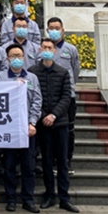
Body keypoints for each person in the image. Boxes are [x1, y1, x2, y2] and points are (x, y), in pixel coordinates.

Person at [29, 40, 79, 213]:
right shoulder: (32, 72)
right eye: (44, 48)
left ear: (55, 52)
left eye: (50, 48)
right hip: (43, 124)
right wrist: (43, 115)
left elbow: (67, 97)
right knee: (47, 161)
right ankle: (50, 194)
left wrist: (54, 115)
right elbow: (32, 97)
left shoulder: (63, 72)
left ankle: (64, 197)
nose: (47, 51)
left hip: (60, 123)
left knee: (62, 162)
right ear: (40, 50)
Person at [0, 44, 42, 213]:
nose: (16, 59)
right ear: (7, 59)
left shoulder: (32, 78)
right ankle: (11, 199)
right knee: (9, 166)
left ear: (24, 58)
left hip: (27, 129)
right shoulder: (0, 77)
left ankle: (28, 199)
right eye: (13, 56)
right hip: (9, 128)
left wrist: (32, 123)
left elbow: (37, 101)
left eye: (19, 56)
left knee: (28, 166)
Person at [44, 17, 80, 175]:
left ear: (63, 30)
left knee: (69, 130)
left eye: (57, 28)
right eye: (51, 28)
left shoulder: (71, 49)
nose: (54, 30)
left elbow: (75, 70)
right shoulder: (44, 50)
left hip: (67, 97)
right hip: (49, 97)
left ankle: (66, 160)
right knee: (50, 130)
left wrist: (69, 87)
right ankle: (51, 160)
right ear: (47, 30)